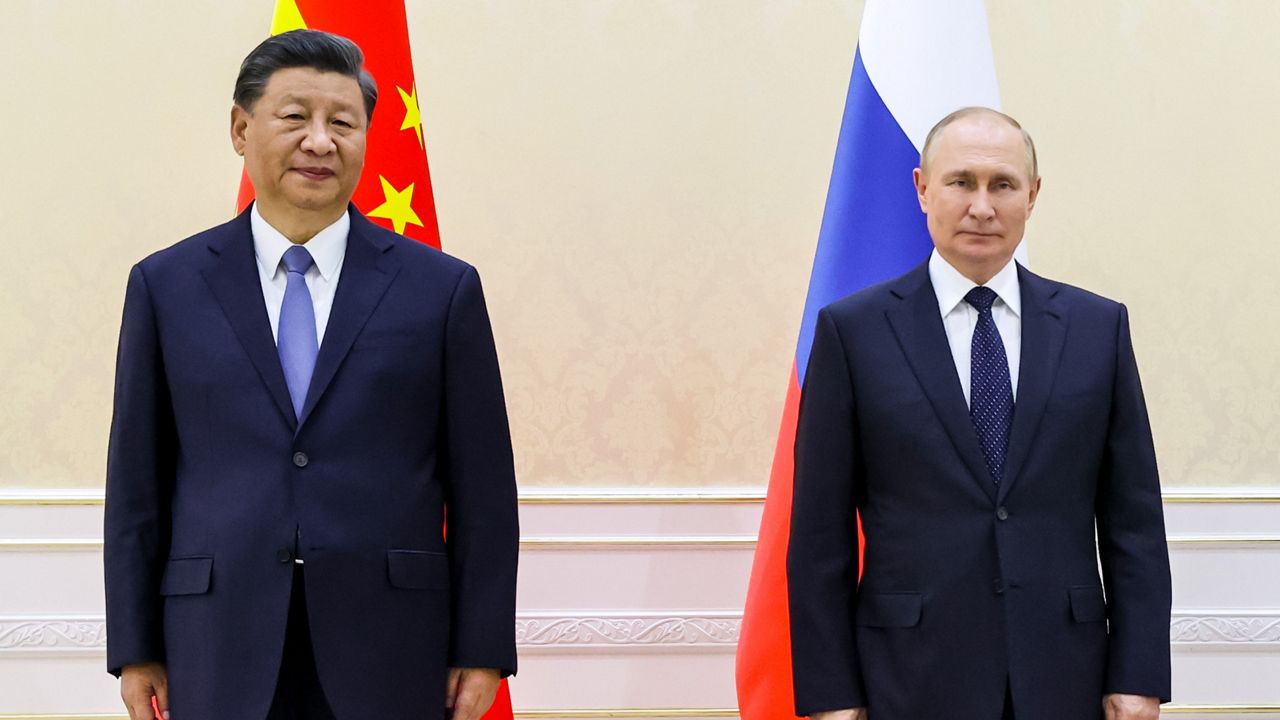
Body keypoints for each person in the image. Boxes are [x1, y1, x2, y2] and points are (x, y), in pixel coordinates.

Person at [104, 30, 518, 720]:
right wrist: (135, 646)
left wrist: (482, 649)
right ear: (241, 129)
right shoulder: (167, 285)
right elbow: (137, 482)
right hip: (215, 637)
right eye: (295, 117)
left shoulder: (440, 290)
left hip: (391, 640)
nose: (320, 142)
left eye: (343, 123)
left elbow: (482, 487)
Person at [786, 107, 1171, 720]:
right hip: (908, 678)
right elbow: (818, 539)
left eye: (1003, 184)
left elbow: (1134, 526)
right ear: (921, 188)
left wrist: (1139, 675)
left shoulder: (1097, 328)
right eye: (961, 181)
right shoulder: (852, 333)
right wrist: (833, 696)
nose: (982, 206)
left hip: (1066, 677)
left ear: (1033, 194)